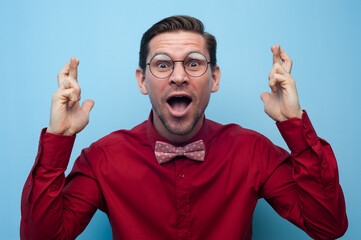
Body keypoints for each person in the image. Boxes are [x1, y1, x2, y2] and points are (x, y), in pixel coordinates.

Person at [20, 16, 347, 240]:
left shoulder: (252, 151)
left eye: (194, 63)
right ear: (142, 80)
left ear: (214, 78)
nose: (178, 76)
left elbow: (328, 225)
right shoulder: (103, 158)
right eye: (162, 64)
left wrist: (293, 124)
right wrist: (58, 139)